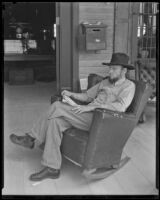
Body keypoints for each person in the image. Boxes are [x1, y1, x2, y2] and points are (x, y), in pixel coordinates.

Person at [10, 52, 136, 181]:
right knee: (55, 121)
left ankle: (30, 138)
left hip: (102, 121)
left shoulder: (129, 86)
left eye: (114, 69)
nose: (110, 71)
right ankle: (52, 168)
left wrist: (90, 107)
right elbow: (87, 96)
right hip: (87, 115)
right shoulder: (105, 82)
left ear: (124, 70)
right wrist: (71, 94)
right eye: (110, 68)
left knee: (57, 106)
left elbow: (120, 107)